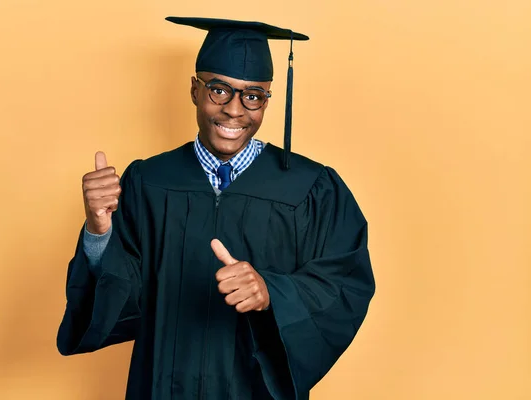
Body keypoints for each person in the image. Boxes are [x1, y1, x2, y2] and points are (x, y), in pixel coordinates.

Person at [56, 16, 375, 400]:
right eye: (219, 90)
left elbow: (346, 283)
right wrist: (98, 231)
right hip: (164, 386)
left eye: (254, 95)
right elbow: (124, 293)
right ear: (194, 89)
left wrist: (273, 291)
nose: (236, 111)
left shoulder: (312, 188)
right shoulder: (149, 180)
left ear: (267, 99)